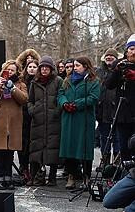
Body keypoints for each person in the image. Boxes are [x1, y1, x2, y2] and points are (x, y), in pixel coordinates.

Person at [57, 56, 100, 189]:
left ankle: (86, 176)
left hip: (84, 118)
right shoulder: (67, 80)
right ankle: (71, 175)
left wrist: (77, 104)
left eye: (77, 66)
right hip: (69, 117)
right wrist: (64, 103)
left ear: (86, 66)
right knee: (69, 145)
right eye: (74, 65)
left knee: (84, 146)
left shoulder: (93, 81)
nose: (74, 68)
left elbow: (94, 97)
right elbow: (60, 93)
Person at [0, 60, 28, 190]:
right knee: (0, 152)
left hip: (14, 124)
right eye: (8, 70)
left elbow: (24, 99)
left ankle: (8, 178)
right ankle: (0, 179)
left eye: (12, 70)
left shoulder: (21, 85)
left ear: (17, 72)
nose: (9, 72)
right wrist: (0, 87)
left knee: (10, 152)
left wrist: (13, 88)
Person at [27, 56, 63, 186]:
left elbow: (61, 97)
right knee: (36, 148)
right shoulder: (34, 82)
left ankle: (52, 177)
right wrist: (32, 110)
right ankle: (35, 177)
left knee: (53, 148)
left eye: (47, 67)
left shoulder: (58, 81)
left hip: (53, 120)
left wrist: (57, 111)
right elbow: (30, 100)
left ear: (51, 69)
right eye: (42, 67)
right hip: (38, 119)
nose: (44, 70)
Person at [106, 34, 135, 163]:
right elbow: (109, 85)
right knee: (123, 146)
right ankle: (125, 173)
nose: (134, 52)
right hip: (122, 113)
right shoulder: (120, 64)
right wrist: (117, 71)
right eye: (132, 49)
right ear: (127, 50)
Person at [96, 48, 121, 166]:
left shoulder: (120, 71)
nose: (109, 57)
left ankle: (116, 163)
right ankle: (105, 163)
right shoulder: (98, 72)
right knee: (104, 138)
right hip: (102, 111)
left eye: (112, 56)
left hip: (117, 110)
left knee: (117, 138)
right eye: (107, 56)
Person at [19, 59, 39, 183]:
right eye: (29, 66)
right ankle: (24, 168)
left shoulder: (39, 82)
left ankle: (35, 170)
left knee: (34, 144)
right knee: (23, 144)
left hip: (36, 115)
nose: (32, 69)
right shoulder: (22, 82)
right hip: (23, 116)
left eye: (34, 67)